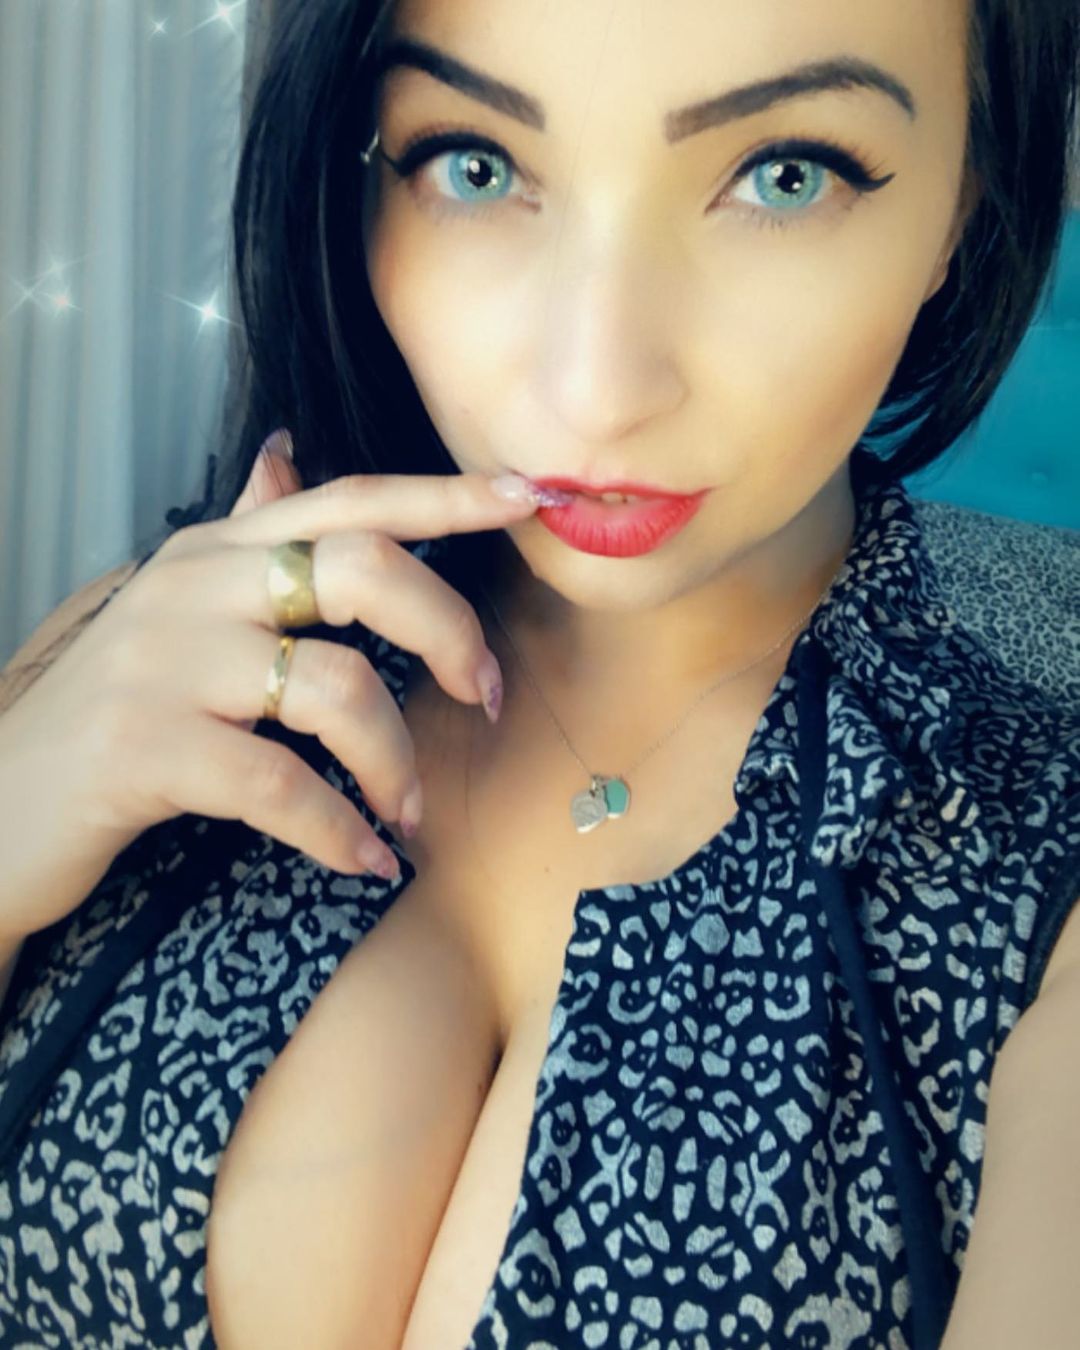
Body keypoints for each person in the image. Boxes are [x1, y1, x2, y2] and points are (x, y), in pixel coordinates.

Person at [0, 0, 1077, 1346]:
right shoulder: (136, 663)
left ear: (965, 200)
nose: (595, 387)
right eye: (476, 163)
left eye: (785, 175)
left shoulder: (1039, 911)